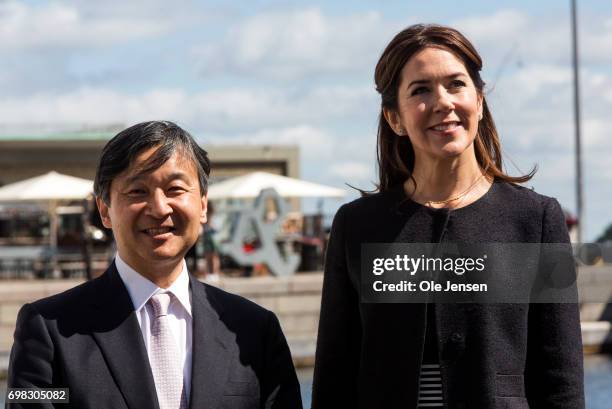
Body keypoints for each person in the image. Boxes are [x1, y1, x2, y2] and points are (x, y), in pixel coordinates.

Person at [312, 24, 584, 408]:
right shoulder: (358, 226)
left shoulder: (535, 220)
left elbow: (561, 380)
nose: (443, 102)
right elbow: (334, 377)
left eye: (456, 84)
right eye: (420, 90)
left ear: (479, 99)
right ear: (394, 118)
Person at [7, 121, 302, 409]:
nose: (159, 208)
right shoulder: (47, 329)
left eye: (175, 189)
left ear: (202, 205)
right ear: (104, 210)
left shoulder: (254, 330)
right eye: (137, 191)